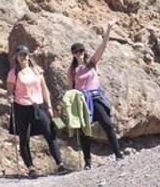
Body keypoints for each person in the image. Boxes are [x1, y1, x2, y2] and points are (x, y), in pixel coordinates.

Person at [67, 21, 123, 170]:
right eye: (76, 52)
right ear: (73, 54)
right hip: (82, 100)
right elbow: (70, 88)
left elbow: (102, 47)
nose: (79, 54)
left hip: (95, 97)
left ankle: (118, 154)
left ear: (84, 51)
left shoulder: (91, 64)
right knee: (84, 131)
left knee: (107, 125)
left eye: (81, 51)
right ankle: (87, 162)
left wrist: (109, 29)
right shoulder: (72, 70)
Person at [7, 45, 69, 177]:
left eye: (25, 54)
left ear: (28, 56)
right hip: (21, 107)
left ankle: (60, 164)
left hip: (38, 106)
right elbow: (10, 91)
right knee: (24, 139)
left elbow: (44, 89)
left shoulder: (36, 70)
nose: (23, 57)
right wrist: (10, 97)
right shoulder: (13, 74)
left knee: (50, 133)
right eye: (20, 55)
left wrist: (49, 107)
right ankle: (31, 168)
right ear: (16, 57)